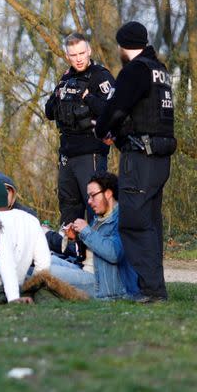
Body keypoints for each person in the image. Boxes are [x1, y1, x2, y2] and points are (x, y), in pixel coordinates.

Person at [94, 21, 176, 303]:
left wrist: (102, 130)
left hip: (140, 158)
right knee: (151, 224)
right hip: (160, 158)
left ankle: (151, 290)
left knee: (133, 222)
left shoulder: (135, 71)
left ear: (123, 45)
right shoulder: (160, 72)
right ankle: (156, 288)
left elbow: (116, 108)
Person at [45, 33, 115, 228]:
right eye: (73, 54)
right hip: (67, 154)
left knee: (96, 205)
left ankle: (100, 254)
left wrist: (88, 99)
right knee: (68, 206)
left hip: (90, 153)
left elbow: (114, 111)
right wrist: (59, 96)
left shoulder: (100, 76)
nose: (79, 58)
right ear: (67, 56)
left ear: (89, 51)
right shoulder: (65, 79)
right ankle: (71, 254)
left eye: (82, 53)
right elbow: (49, 112)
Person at [49, 172, 140, 299]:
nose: (89, 201)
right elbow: (92, 253)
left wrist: (86, 230)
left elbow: (114, 253)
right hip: (85, 271)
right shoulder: (99, 218)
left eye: (93, 196)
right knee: (46, 260)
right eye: (88, 197)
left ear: (108, 193)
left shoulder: (123, 218)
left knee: (44, 271)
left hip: (102, 285)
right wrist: (76, 237)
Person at [0, 178, 49, 304]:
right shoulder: (31, 220)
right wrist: (30, 290)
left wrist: (13, 299)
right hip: (19, 287)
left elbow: (5, 262)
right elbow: (44, 263)